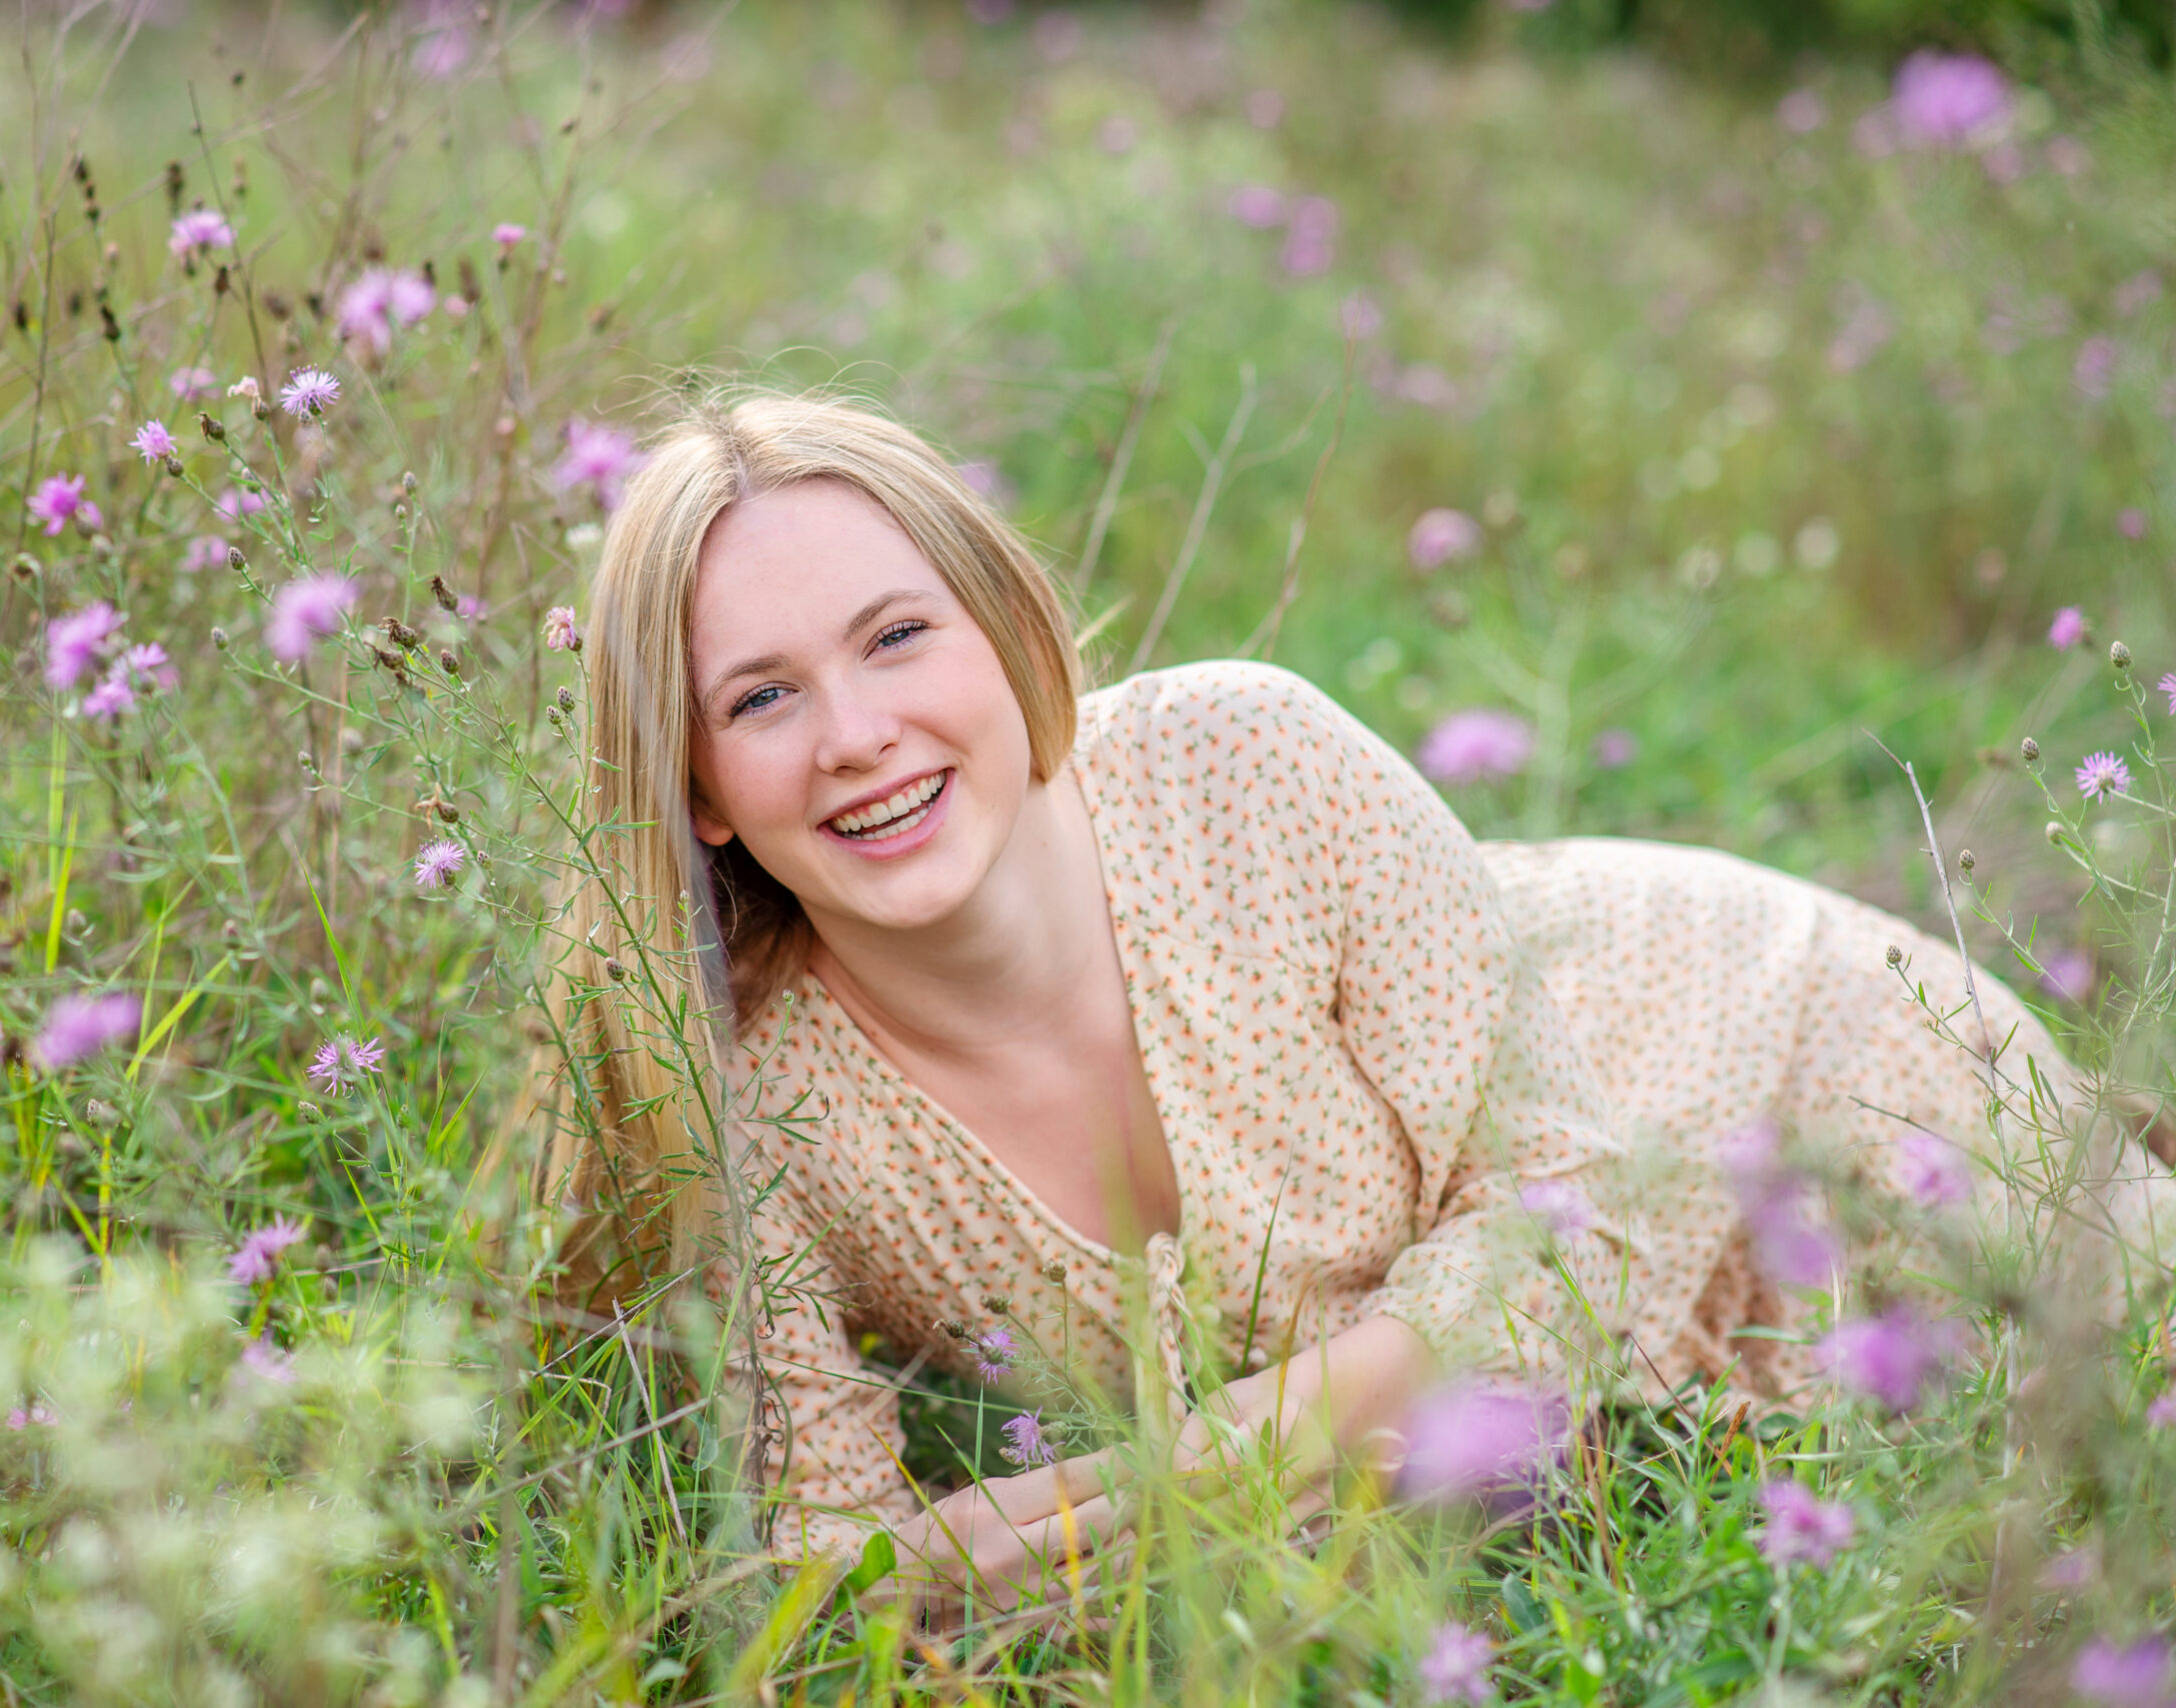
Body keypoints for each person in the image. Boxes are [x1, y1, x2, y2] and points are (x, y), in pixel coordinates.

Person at [535, 391, 2170, 1619]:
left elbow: (1572, 1212)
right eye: (760, 696)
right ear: (695, 787)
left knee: (2115, 1426)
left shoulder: (1240, 757)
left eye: (898, 635)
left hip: (1779, 1061)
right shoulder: (742, 1094)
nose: (856, 732)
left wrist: (1172, 1478)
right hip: (1544, 1434)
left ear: (1009, 631)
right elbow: (841, 1570)